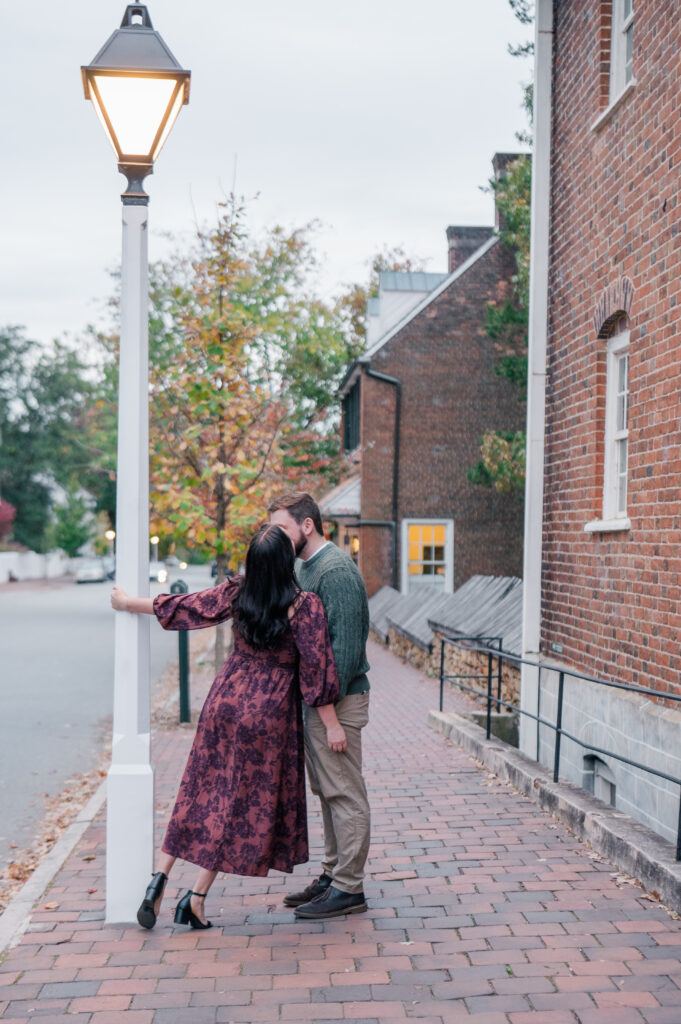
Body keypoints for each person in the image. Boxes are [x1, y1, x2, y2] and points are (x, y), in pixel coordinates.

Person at [110, 524, 345, 930]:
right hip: (267, 713)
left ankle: (158, 879)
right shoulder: (304, 606)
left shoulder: (238, 591)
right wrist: (333, 726)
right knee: (236, 805)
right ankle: (196, 897)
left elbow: (188, 606)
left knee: (199, 788)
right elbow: (316, 672)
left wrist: (129, 602)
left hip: (225, 698)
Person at [268, 491, 371, 920]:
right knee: (327, 791)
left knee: (345, 793)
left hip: (339, 703)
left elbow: (343, 654)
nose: (276, 536)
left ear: (306, 526)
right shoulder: (303, 566)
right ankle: (333, 874)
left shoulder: (336, 571)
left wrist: (327, 712)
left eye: (282, 528)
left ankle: (349, 888)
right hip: (319, 701)